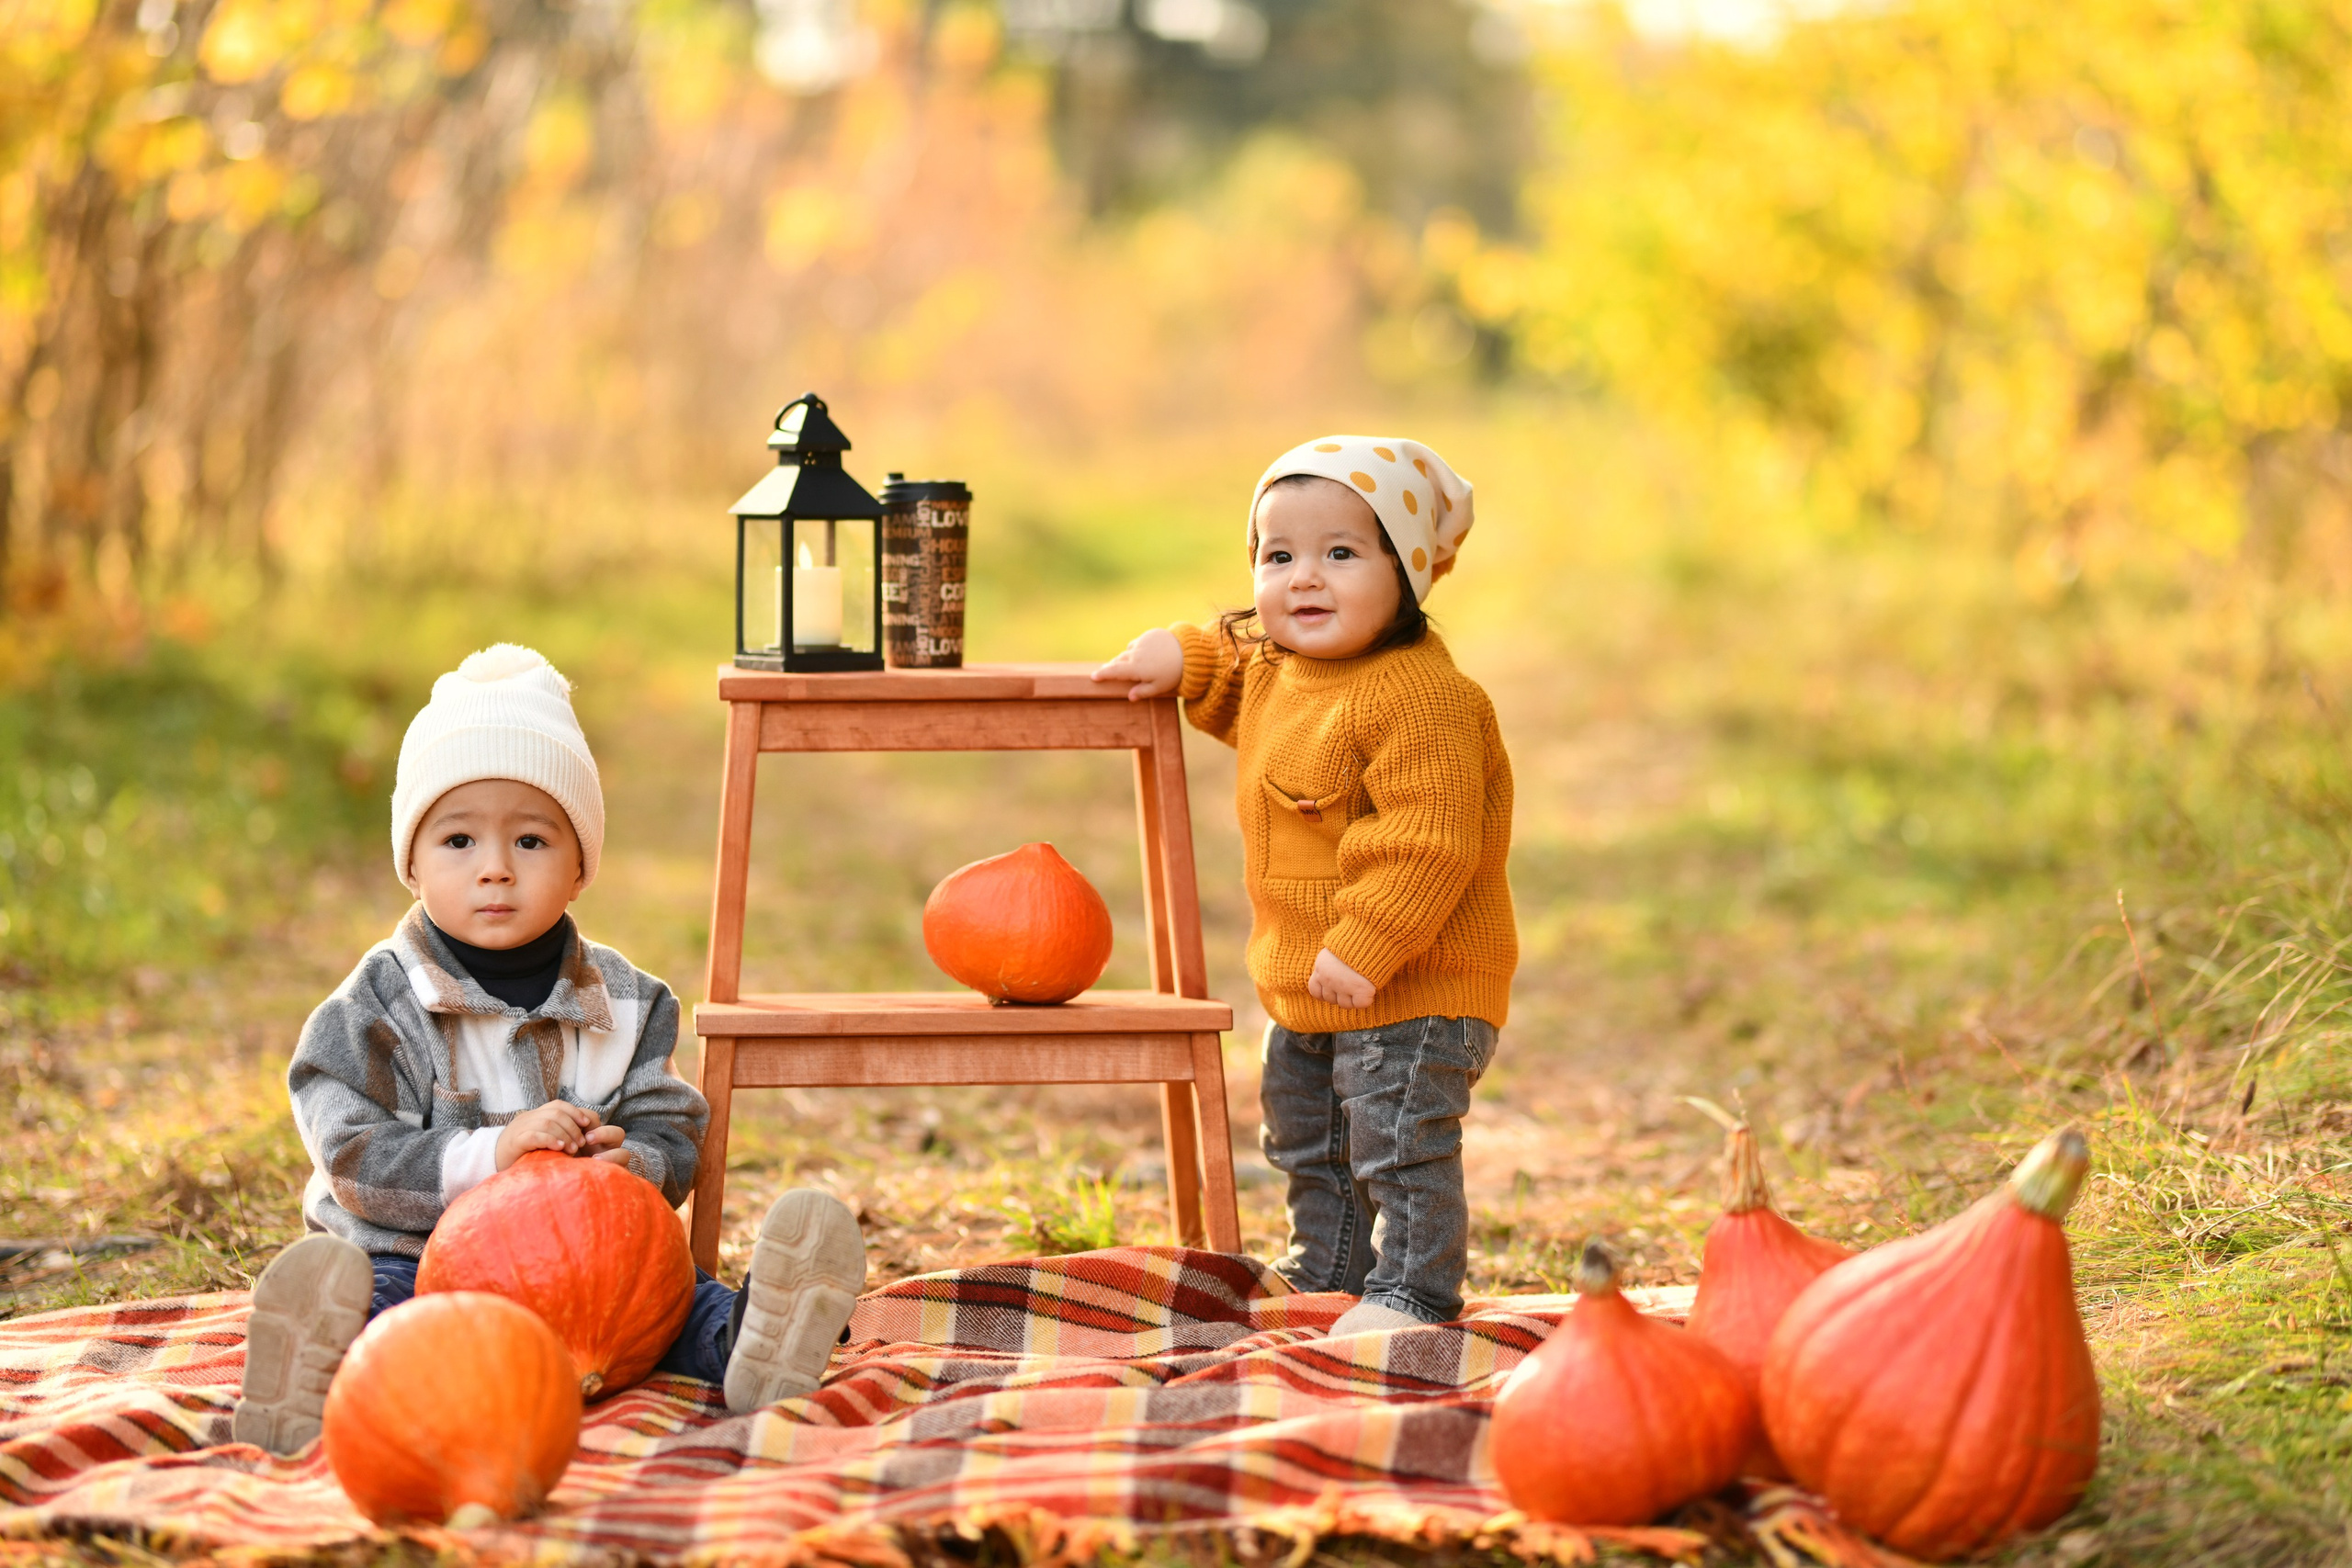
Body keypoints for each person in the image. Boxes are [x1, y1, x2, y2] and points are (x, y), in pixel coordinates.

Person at [232, 644, 866, 1455]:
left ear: (578, 868)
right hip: (419, 1260)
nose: (494, 869)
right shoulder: (380, 1004)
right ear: (412, 864)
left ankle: (757, 1340)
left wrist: (627, 1161)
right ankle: (316, 1367)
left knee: (676, 1301)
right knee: (389, 1312)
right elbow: (351, 1153)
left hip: (592, 1278)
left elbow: (672, 1125)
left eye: (530, 842)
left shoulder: (630, 1002)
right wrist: (494, 1155)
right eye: (459, 841)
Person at [1091, 437, 1516, 1333]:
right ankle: (1328, 1272)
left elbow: (1427, 840)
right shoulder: (1283, 670)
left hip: (1413, 981)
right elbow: (1228, 668)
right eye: (1277, 557)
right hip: (1307, 984)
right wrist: (1178, 658)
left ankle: (1412, 1290)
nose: (1304, 579)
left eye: (1340, 554)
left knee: (1396, 1142)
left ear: (1405, 573)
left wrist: (1365, 944)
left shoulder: (1421, 697)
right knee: (1308, 1141)